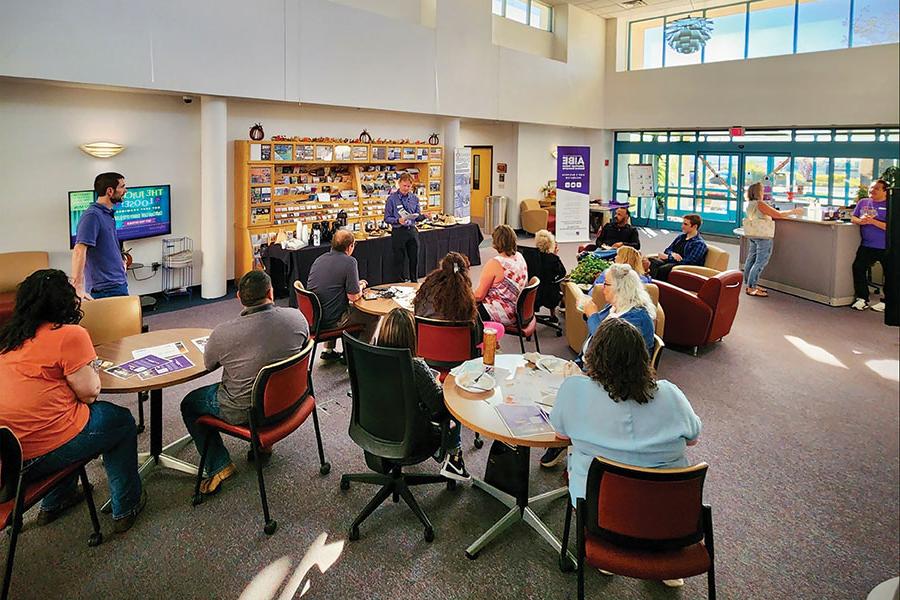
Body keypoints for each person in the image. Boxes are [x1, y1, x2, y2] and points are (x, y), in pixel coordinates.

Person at [549, 318, 701, 588]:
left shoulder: (574, 391)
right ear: (643, 358)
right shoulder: (671, 395)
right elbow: (692, 440)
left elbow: (561, 436)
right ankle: (664, 555)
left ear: (592, 355)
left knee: (587, 473)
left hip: (601, 513)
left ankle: (610, 546)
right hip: (674, 518)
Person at [0, 269, 144, 532]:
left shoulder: (11, 338)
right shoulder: (69, 335)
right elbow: (89, 393)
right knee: (120, 422)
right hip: (38, 454)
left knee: (66, 416)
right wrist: (92, 368)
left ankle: (56, 501)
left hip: (7, 459)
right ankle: (127, 507)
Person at [180, 270, 310, 495]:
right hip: (293, 402)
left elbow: (209, 364)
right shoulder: (297, 318)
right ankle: (264, 446)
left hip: (246, 412)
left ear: (239, 298)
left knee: (189, 404)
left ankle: (219, 465)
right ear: (271, 292)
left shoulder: (223, 333)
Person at [542, 263, 656, 469]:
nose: (602, 286)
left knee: (560, 393)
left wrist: (592, 315)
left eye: (607, 284)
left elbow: (605, 341)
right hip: (589, 365)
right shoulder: (613, 308)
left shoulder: (637, 318)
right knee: (541, 376)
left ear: (621, 288)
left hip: (611, 376)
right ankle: (566, 430)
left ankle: (566, 437)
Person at [374, 308, 470, 481]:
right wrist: (439, 385)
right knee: (453, 401)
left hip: (374, 429)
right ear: (412, 336)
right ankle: (454, 460)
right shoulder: (416, 368)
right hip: (412, 437)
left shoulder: (368, 359)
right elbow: (439, 407)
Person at [307, 229, 379, 360]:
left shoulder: (319, 259)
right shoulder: (350, 262)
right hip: (334, 320)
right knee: (372, 315)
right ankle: (358, 358)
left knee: (333, 301)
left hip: (315, 318)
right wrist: (361, 286)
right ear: (350, 246)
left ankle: (328, 350)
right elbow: (354, 297)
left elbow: (332, 285)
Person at [71, 172, 129, 300]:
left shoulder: (107, 214)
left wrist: (121, 260)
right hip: (105, 289)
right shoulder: (92, 216)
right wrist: (77, 286)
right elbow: (79, 250)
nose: (125, 190)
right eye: (122, 187)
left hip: (117, 282)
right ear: (110, 191)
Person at [742, 182, 804, 297]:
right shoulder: (760, 204)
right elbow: (778, 214)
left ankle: (750, 284)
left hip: (753, 234)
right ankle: (752, 288)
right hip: (763, 236)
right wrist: (794, 212)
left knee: (751, 259)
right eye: (762, 190)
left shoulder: (750, 204)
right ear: (758, 192)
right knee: (760, 261)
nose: (764, 192)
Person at [475, 224, 528, 327]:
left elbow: (479, 296)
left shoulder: (496, 263)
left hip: (501, 313)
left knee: (462, 310)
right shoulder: (520, 257)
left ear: (496, 242)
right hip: (517, 310)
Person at [850, 178, 889, 312]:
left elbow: (891, 227)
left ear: (885, 191)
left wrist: (873, 221)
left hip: (886, 246)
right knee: (858, 268)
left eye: (877, 188)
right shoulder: (863, 202)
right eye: (871, 188)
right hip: (867, 245)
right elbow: (853, 217)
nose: (872, 190)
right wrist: (860, 221)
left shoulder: (891, 204)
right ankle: (862, 298)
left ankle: (887, 302)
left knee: (889, 274)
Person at [384, 173, 424, 282]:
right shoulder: (391, 199)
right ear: (399, 184)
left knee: (414, 258)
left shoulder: (414, 199)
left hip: (412, 231)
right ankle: (400, 282)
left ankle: (414, 281)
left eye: (408, 186)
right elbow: (387, 218)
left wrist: (424, 216)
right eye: (404, 185)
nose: (406, 188)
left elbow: (417, 216)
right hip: (398, 231)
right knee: (399, 260)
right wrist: (398, 220)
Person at [644, 214, 708, 282]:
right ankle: (650, 284)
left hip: (683, 267)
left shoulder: (699, 244)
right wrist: (673, 254)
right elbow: (668, 250)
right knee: (651, 261)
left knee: (663, 269)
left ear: (695, 226)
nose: (682, 226)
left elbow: (689, 262)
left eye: (685, 224)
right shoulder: (681, 237)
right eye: (683, 223)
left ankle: (658, 286)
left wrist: (668, 257)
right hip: (673, 261)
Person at [533, 229, 567, 323]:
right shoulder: (553, 258)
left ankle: (531, 315)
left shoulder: (532, 256)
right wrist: (555, 254)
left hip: (534, 290)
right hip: (550, 293)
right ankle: (553, 315)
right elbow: (562, 273)